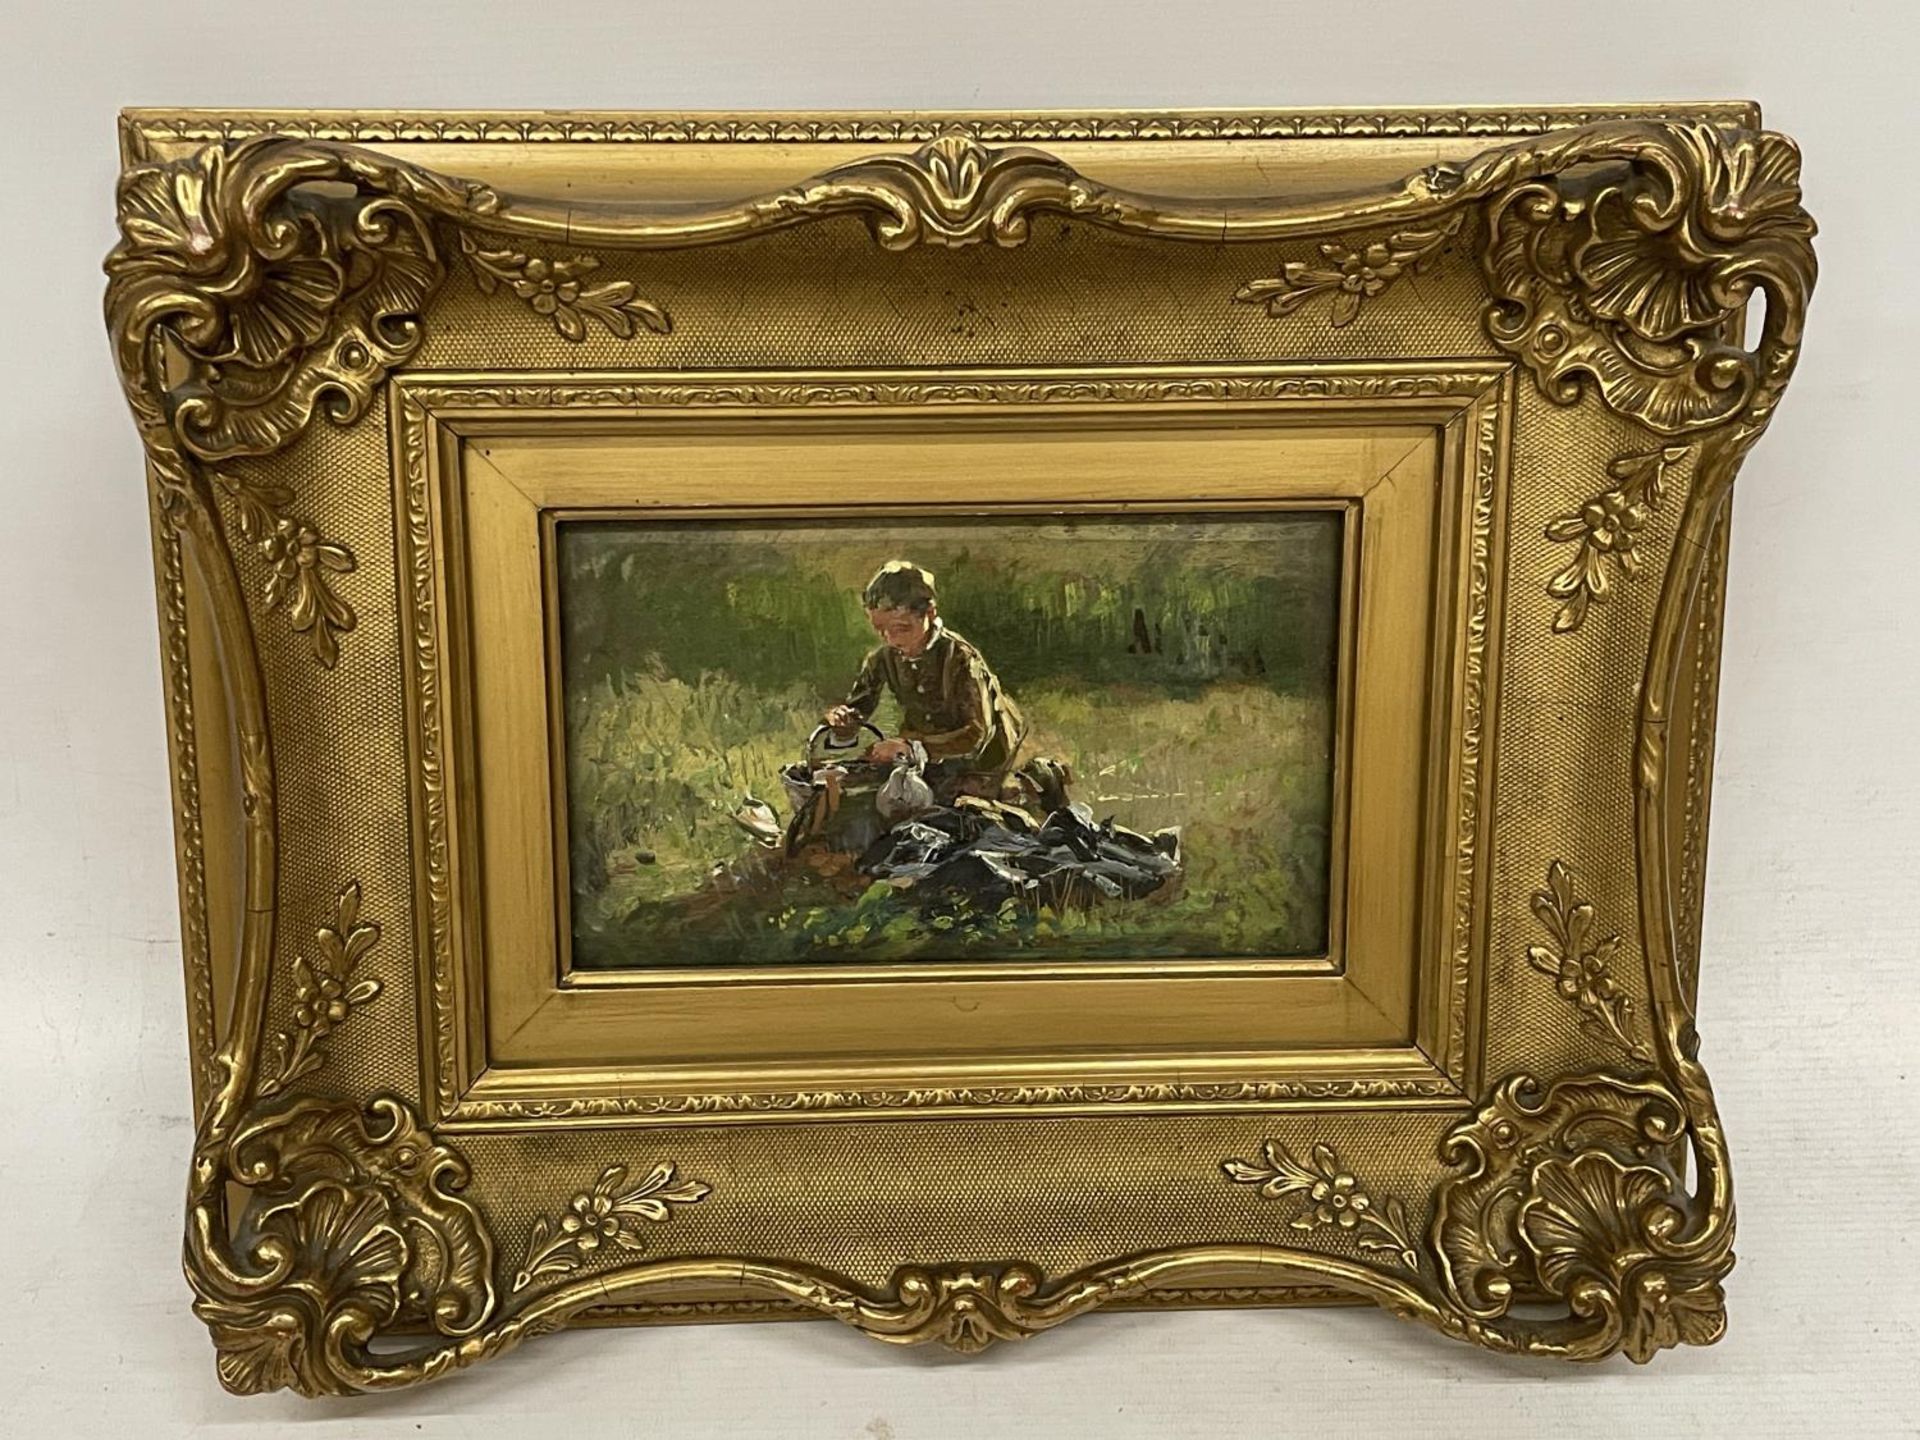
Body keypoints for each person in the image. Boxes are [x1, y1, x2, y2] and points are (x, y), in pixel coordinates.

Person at [825, 561, 1027, 803]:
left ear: (930, 614)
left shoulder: (961, 658)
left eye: (902, 628)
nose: (890, 639)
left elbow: (976, 734)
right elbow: (858, 707)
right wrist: (843, 718)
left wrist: (910, 748)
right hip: (925, 753)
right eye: (880, 629)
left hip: (983, 759)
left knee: (960, 814)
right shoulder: (883, 658)